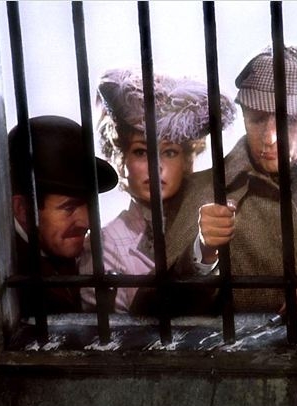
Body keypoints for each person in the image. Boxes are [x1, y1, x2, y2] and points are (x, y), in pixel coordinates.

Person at [165, 46, 297, 319]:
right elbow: (153, 308)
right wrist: (202, 252)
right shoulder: (204, 190)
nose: (270, 137)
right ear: (243, 116)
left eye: (288, 119)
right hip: (244, 346)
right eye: (257, 118)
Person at [80, 68, 236, 314]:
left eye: (169, 152)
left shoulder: (211, 222)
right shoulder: (106, 244)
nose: (156, 167)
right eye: (141, 152)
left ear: (187, 160)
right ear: (122, 158)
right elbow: (112, 330)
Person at [9, 115, 118, 317]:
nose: (86, 222)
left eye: (89, 205)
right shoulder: (11, 274)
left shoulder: (59, 251)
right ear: (23, 210)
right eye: (69, 207)